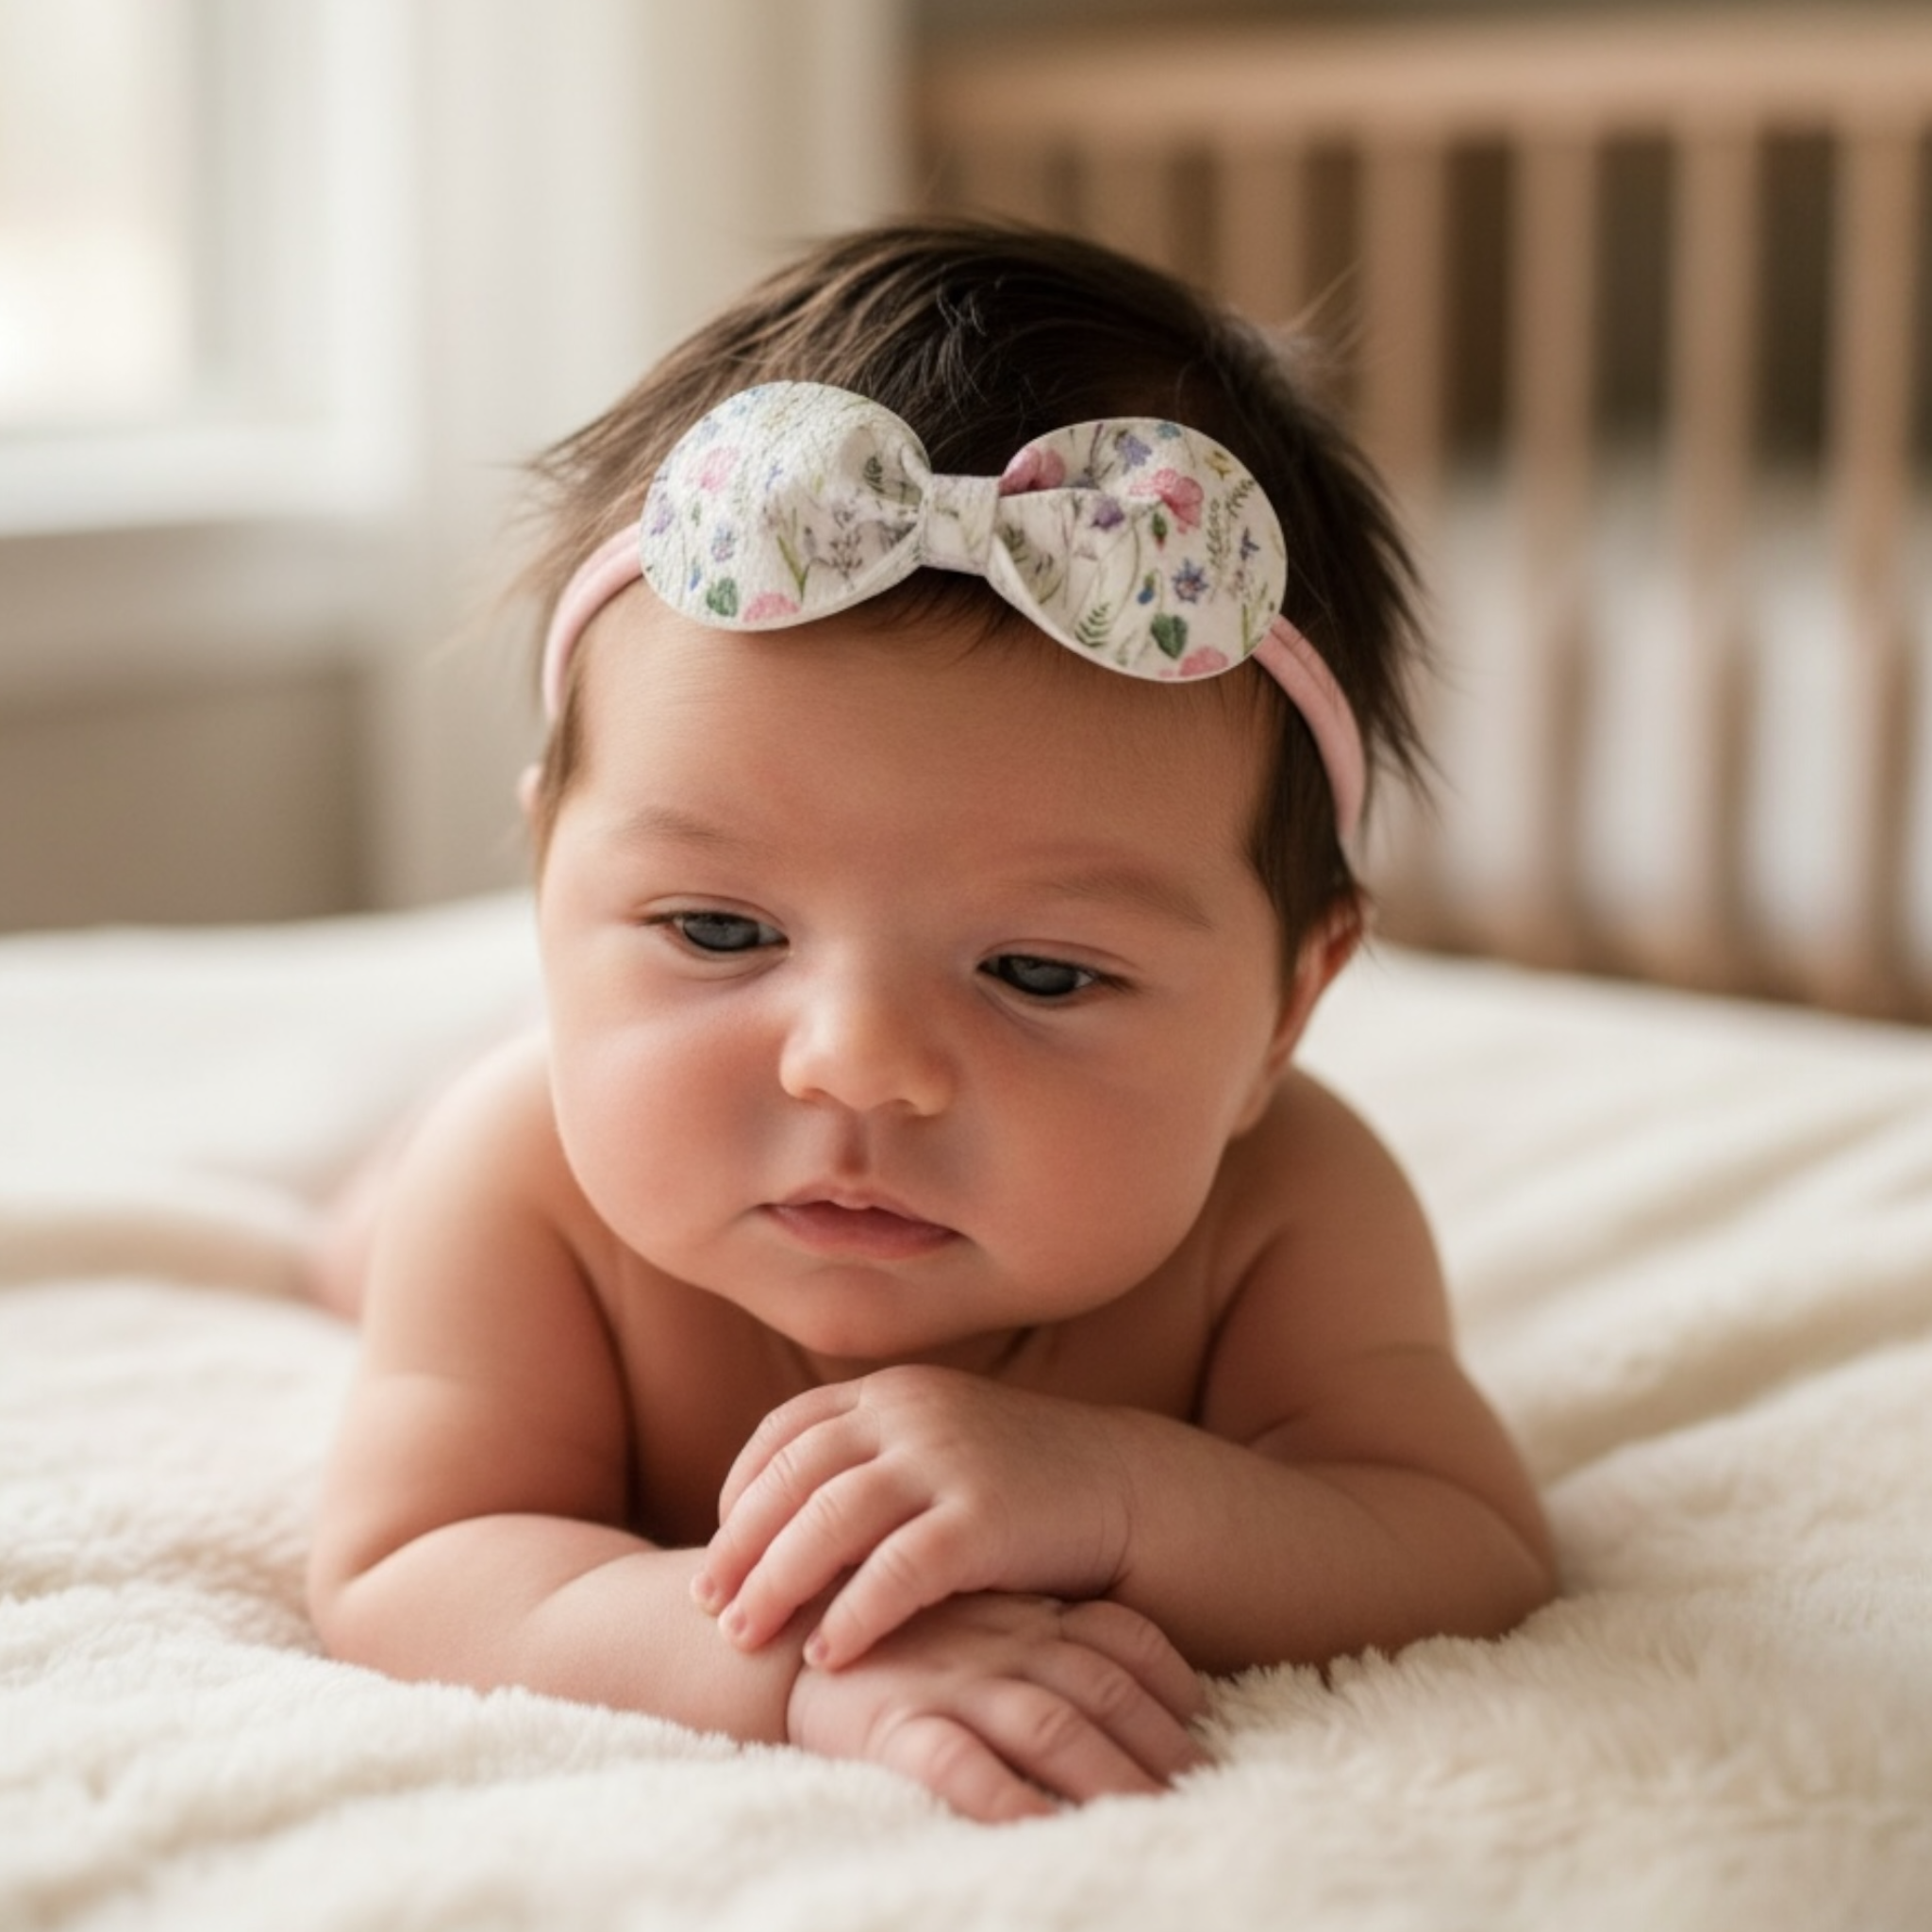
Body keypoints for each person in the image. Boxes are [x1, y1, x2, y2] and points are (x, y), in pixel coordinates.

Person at [306, 218, 1556, 1825]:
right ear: (547, 880)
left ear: (1283, 1016)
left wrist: (1112, 1492)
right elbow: (420, 1564)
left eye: (1041, 974)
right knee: (382, 1240)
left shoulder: (1289, 1214)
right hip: (457, 1197)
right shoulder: (530, 1184)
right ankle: (359, 1209)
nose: (855, 1062)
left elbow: (1461, 1544)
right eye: (716, 929)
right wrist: (790, 1664)